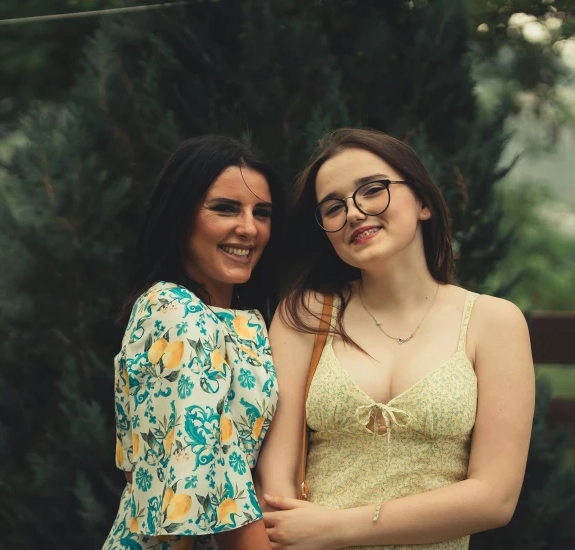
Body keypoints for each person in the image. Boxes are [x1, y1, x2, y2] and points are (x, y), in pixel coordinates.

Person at [256, 128, 535, 549]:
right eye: (333, 207)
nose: (353, 212)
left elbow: (495, 498)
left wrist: (336, 528)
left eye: (372, 190)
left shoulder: (492, 322)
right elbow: (277, 489)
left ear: (423, 201)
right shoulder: (306, 314)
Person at [102, 135, 283, 550]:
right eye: (225, 208)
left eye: (263, 212)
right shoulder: (173, 309)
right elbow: (204, 468)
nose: (249, 228)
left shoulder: (243, 321)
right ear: (180, 215)